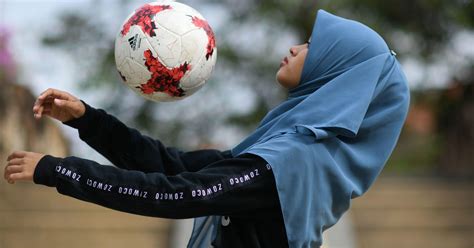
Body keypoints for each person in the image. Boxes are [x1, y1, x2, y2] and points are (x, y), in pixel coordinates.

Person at [3, 9, 409, 248]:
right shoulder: (288, 149)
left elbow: (178, 195)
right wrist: (88, 120)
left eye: (311, 47)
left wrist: (61, 170)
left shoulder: (295, 160)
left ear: (335, 71)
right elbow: (173, 165)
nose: (294, 48)